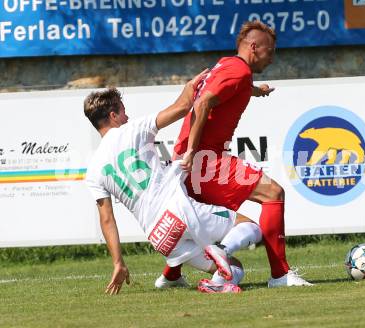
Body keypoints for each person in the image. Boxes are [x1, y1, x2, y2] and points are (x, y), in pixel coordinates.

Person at [161, 21, 313, 288]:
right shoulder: (239, 70)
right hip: (205, 159)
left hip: (191, 159)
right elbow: (204, 102)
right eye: (270, 51)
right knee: (273, 193)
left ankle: (170, 277)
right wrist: (194, 152)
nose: (272, 57)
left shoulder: (228, 65)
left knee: (191, 217)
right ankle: (280, 275)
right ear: (254, 47)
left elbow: (226, 89)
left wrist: (256, 91)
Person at [84, 73, 262, 294]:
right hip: (178, 210)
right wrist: (190, 86)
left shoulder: (93, 170)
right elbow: (183, 107)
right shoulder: (132, 129)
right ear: (113, 115)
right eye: (123, 111)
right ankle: (222, 250)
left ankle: (215, 284)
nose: (127, 116)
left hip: (160, 237)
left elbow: (107, 219)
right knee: (251, 228)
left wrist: (118, 262)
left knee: (236, 269)